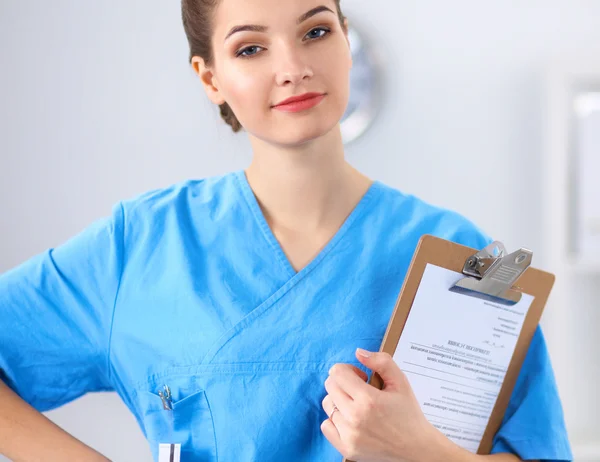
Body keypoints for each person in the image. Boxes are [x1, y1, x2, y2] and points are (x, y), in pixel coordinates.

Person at [0, 0, 572, 461]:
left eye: (316, 31)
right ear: (210, 78)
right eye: (250, 48)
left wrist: (420, 452)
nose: (292, 66)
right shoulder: (141, 247)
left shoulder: (463, 258)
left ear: (347, 39)